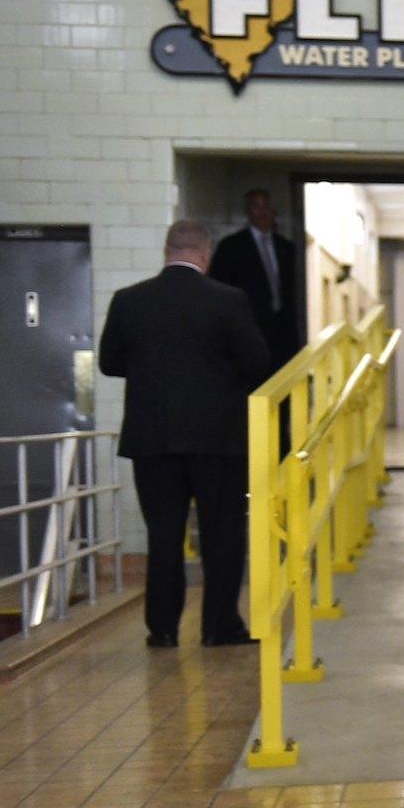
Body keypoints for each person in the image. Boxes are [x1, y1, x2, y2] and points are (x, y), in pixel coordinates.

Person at [99, 220, 270, 649]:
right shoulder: (228, 300)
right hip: (219, 440)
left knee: (163, 534)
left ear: (165, 250)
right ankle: (219, 627)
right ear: (205, 254)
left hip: (151, 439)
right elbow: (257, 363)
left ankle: (163, 629)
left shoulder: (129, 300)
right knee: (222, 533)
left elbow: (109, 362)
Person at [209, 188, 304, 375]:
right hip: (248, 326)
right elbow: (220, 286)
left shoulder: (285, 247)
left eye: (265, 205)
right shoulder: (231, 247)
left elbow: (291, 291)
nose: (262, 212)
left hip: (281, 330)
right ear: (248, 211)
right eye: (256, 206)